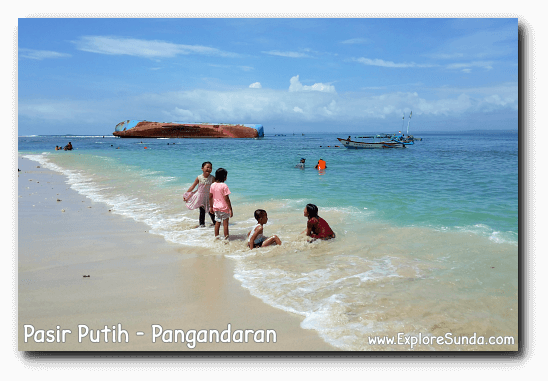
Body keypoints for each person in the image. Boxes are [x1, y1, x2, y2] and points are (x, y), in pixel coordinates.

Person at [184, 161, 216, 227]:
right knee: (202, 211)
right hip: (200, 197)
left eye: (210, 168)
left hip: (209, 197)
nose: (209, 169)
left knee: (211, 211)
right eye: (207, 167)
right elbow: (193, 186)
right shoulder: (199, 177)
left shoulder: (212, 178)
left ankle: (216, 224)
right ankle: (202, 225)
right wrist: (186, 194)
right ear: (202, 168)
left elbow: (215, 188)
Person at [209, 168, 233, 240]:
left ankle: (216, 237)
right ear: (225, 177)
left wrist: (211, 207)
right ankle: (226, 239)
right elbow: (227, 199)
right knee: (225, 224)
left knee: (217, 222)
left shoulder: (212, 185)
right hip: (224, 208)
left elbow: (210, 197)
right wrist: (230, 209)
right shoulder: (224, 186)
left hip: (216, 207)